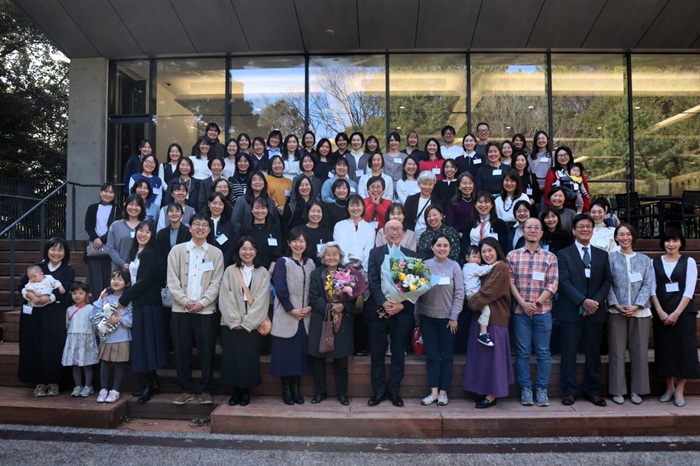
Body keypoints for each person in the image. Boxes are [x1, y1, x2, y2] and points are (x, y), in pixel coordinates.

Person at [554, 214, 613, 407]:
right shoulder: (563, 254)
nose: (585, 229)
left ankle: (593, 391)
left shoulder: (602, 254)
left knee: (593, 353)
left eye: (588, 226)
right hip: (571, 310)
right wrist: (582, 301)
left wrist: (594, 302)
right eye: (581, 226)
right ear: (573, 231)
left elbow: (607, 281)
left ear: (593, 231)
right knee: (569, 352)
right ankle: (569, 391)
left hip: (595, 311)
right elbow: (563, 281)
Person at [167, 213, 225, 406]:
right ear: (190, 228)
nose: (200, 228)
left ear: (209, 230)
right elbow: (172, 280)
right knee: (182, 351)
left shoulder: (216, 253)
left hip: (206, 311)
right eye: (197, 224)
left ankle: (206, 389)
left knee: (206, 351)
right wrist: (185, 301)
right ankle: (186, 389)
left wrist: (203, 302)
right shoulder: (177, 250)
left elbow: (217, 282)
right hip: (180, 310)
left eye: (205, 225)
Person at [507, 217, 559, 407]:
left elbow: (553, 284)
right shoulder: (512, 256)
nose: (532, 230)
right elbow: (510, 282)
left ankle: (542, 389)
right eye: (529, 227)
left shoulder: (550, 257)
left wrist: (536, 304)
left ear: (541, 232)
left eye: (536, 228)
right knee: (522, 352)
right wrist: (522, 303)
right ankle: (526, 389)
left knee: (543, 352)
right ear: (523, 231)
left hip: (543, 311)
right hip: (520, 312)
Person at [365, 219, 415, 407]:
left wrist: (401, 305)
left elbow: (413, 287)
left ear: (403, 232)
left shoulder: (411, 255)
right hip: (379, 310)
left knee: (398, 353)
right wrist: (384, 302)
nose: (394, 232)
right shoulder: (375, 253)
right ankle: (378, 392)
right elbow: (372, 280)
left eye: (398, 229)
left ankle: (394, 392)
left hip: (401, 312)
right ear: (384, 233)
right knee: (377, 353)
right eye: (390, 229)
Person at [17, 238, 75, 397]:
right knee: (34, 345)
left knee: (54, 346)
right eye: (53, 249)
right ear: (47, 250)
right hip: (33, 315)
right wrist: (29, 295)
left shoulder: (68, 270)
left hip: (55, 314)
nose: (56, 253)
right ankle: (39, 382)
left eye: (60, 250)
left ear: (65, 253)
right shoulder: (37, 268)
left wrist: (47, 298)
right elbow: (21, 285)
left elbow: (65, 289)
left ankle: (54, 382)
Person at [118, 220, 168, 403]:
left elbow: (146, 281)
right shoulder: (135, 253)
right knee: (142, 344)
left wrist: (125, 297)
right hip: (138, 302)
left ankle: (150, 384)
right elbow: (132, 279)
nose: (143, 234)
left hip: (149, 304)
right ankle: (151, 382)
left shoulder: (152, 253)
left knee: (148, 345)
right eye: (141, 230)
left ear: (152, 235)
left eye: (148, 232)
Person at [219, 237, 271, 406]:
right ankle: (235, 392)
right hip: (231, 323)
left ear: (256, 252)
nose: (247, 252)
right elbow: (225, 296)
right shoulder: (230, 270)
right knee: (232, 358)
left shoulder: (263, 272)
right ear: (238, 251)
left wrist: (248, 323)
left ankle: (246, 391)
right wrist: (234, 321)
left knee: (248, 358)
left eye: (251, 249)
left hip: (252, 324)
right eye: (244, 249)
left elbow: (262, 299)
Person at [650, 228, 699, 408]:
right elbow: (652, 289)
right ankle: (669, 387)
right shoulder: (655, 262)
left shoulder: (689, 262)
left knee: (684, 349)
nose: (671, 244)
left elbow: (689, 290)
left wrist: (677, 313)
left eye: (675, 240)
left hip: (683, 312)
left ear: (681, 242)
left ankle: (680, 389)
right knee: (666, 350)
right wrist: (660, 311)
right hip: (662, 312)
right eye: (668, 241)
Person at [463, 237, 514, 408]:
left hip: (496, 319)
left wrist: (472, 303)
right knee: (482, 359)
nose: (487, 254)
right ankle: (482, 391)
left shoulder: (501, 267)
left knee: (493, 360)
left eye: (490, 250)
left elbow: (488, 292)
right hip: (481, 319)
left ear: (497, 250)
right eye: (483, 251)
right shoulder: (481, 268)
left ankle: (492, 395)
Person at [415, 235, 464, 407]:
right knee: (432, 356)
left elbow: (459, 294)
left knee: (446, 356)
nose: (442, 248)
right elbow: (416, 293)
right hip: (427, 318)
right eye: (438, 245)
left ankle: (444, 392)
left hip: (448, 320)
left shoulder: (455, 266)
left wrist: (454, 316)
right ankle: (434, 392)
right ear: (432, 247)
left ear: (450, 248)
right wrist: (417, 319)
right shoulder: (424, 265)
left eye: (445, 245)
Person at [606, 223, 652, 405]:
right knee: (616, 351)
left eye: (628, 234)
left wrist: (637, 305)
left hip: (640, 312)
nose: (625, 238)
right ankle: (617, 390)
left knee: (639, 352)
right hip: (616, 310)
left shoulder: (644, 259)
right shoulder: (610, 258)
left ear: (633, 236)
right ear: (616, 238)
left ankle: (637, 390)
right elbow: (607, 283)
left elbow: (647, 284)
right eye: (621, 234)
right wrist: (616, 304)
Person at [270, 227, 316, 405]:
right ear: (289, 243)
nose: (298, 244)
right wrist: (291, 309)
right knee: (285, 356)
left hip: (305, 316)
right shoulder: (283, 262)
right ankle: (287, 389)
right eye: (295, 241)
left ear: (306, 244)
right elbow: (280, 289)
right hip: (287, 314)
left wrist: (310, 307)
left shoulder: (311, 264)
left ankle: (296, 388)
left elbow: (315, 289)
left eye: (301, 241)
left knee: (299, 356)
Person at [307, 242, 356, 405]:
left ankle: (342, 394)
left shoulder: (347, 273)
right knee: (317, 359)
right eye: (328, 254)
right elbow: (314, 297)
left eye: (335, 254)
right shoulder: (316, 273)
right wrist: (329, 307)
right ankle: (320, 392)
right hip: (321, 319)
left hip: (342, 319)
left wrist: (343, 306)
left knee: (341, 359)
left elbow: (354, 298)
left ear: (340, 256)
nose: (331, 257)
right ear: (323, 257)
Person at [92, 270, 132, 403]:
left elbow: (132, 318)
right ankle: (103, 389)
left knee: (119, 363)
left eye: (120, 279)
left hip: (122, 336)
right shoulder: (105, 297)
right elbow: (94, 314)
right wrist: (100, 297)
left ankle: (115, 390)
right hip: (106, 336)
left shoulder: (128, 299)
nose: (116, 281)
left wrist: (119, 319)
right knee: (105, 363)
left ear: (127, 283)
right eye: (114, 278)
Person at [61, 282, 98, 398]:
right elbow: (67, 324)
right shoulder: (69, 309)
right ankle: (77, 386)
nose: (77, 296)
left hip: (86, 339)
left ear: (87, 294)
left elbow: (95, 326)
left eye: (81, 293)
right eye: (74, 293)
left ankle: (88, 386)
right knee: (75, 364)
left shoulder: (91, 308)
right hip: (73, 339)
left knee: (87, 364)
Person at [84, 182, 121, 295]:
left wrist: (102, 240)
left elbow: (115, 227)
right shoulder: (92, 208)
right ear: (100, 192)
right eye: (105, 191)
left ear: (114, 195)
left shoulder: (117, 210)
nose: (108, 194)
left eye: (111, 192)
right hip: (94, 247)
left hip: (109, 248)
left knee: (108, 278)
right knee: (94, 280)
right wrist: (95, 238)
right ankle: (96, 302)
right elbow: (88, 225)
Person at [462, 245, 495, 346]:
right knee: (486, 310)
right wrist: (495, 264)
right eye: (474, 257)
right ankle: (483, 334)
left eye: (479, 257)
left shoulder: (465, 267)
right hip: (474, 295)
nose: (477, 259)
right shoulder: (472, 266)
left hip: (470, 295)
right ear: (467, 257)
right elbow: (484, 270)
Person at [239, 197, 283, 273]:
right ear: (252, 210)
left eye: (263, 208)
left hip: (271, 270)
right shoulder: (244, 229)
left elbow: (278, 251)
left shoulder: (274, 229)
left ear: (267, 210)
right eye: (257, 208)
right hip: (248, 270)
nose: (260, 211)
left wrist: (270, 271)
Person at [105, 195, 146, 273]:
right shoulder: (115, 226)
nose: (134, 208)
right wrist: (122, 264)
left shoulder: (146, 226)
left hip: (141, 270)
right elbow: (110, 248)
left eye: (137, 205)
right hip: (119, 270)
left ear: (142, 208)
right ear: (125, 206)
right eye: (131, 204)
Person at [544, 146, 591, 213]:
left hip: (575, 205)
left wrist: (585, 207)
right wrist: (550, 206)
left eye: (565, 155)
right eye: (560, 156)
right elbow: (548, 190)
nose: (563, 157)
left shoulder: (576, 170)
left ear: (570, 156)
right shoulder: (552, 172)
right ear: (556, 158)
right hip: (558, 207)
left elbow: (584, 188)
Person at [464, 190, 509, 256]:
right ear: (475, 205)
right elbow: (464, 244)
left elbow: (503, 247)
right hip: (474, 258)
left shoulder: (500, 224)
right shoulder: (469, 223)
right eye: (480, 202)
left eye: (486, 202)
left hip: (493, 258)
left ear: (492, 205)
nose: (483, 205)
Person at [404, 170, 437, 241]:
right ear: (419, 184)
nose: (427, 187)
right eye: (424, 184)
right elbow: (406, 219)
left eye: (430, 184)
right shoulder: (410, 200)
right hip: (412, 237)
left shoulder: (437, 202)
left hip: (430, 238)